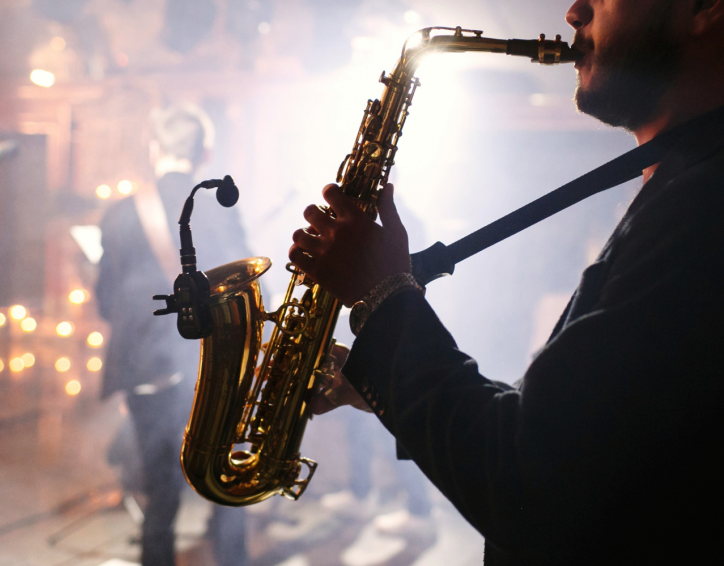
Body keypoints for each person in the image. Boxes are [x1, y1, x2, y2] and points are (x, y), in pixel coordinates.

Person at [290, 0, 724, 564]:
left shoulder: (705, 202)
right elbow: (582, 440)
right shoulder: (688, 183)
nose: (575, 11)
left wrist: (384, 303)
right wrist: (377, 382)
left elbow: (536, 483)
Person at [96, 104, 250, 566]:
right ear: (205, 153)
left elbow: (106, 302)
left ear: (154, 148)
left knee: (158, 492)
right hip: (209, 367)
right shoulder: (218, 209)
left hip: (145, 369)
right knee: (225, 484)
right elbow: (243, 290)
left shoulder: (122, 214)